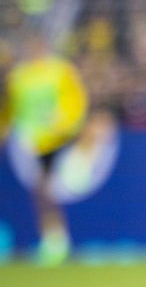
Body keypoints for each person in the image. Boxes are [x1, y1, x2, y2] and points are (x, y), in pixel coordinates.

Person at [0, 32, 89, 266]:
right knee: (42, 191)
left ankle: (56, 242)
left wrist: (68, 124)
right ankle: (55, 241)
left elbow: (76, 101)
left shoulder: (60, 70)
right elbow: (11, 108)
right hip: (34, 142)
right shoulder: (19, 76)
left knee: (47, 189)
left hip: (61, 139)